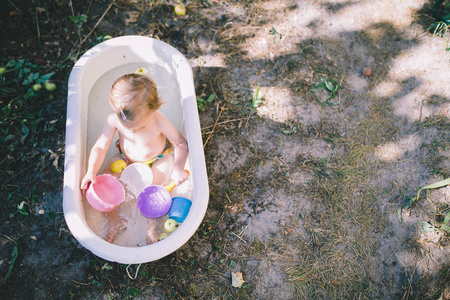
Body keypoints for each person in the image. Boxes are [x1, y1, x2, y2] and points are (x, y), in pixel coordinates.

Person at [80, 73, 189, 243]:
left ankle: (153, 226)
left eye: (141, 126)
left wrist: (178, 167)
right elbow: (101, 146)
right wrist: (91, 171)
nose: (134, 131)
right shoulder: (114, 119)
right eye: (128, 127)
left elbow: (180, 143)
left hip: (157, 159)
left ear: (154, 110)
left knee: (156, 191)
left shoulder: (159, 121)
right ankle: (114, 219)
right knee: (106, 181)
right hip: (126, 159)